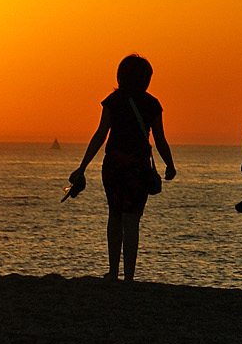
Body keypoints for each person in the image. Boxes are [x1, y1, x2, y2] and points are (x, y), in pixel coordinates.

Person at [70, 54, 175, 282]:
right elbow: (159, 139)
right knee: (132, 220)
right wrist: (169, 164)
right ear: (146, 78)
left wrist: (83, 166)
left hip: (114, 165)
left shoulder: (113, 101)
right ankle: (129, 275)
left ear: (120, 76)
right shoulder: (151, 104)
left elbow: (100, 134)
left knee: (114, 215)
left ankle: (113, 271)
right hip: (138, 167)